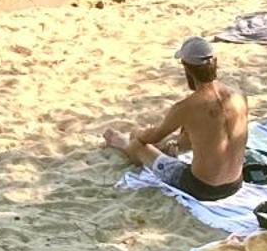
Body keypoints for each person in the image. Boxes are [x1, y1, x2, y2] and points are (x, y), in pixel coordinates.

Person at [103, 37, 250, 203]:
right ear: (215, 62)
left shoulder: (186, 107)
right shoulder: (238, 95)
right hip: (236, 183)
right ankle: (168, 150)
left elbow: (150, 138)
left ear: (186, 68)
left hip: (203, 188)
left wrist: (136, 134)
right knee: (193, 131)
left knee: (138, 145)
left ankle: (120, 143)